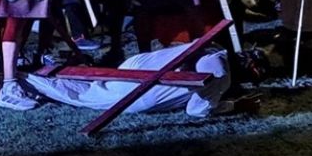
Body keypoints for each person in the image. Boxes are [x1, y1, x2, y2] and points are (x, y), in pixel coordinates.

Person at [23, 40, 232, 117]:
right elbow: (196, 111)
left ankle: (35, 72)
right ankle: (23, 79)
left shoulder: (213, 48)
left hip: (138, 65)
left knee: (95, 85)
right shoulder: (221, 74)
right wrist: (231, 105)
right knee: (84, 96)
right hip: (143, 92)